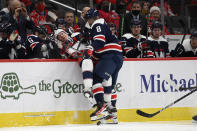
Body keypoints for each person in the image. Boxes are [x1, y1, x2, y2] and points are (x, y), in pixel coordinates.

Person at [84, 8, 123, 123]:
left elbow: (100, 42)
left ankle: (102, 106)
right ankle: (112, 111)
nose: (88, 21)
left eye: (89, 18)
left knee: (96, 77)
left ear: (95, 17)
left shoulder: (97, 24)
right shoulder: (100, 24)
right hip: (117, 57)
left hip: (110, 56)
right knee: (110, 84)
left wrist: (90, 48)